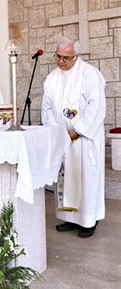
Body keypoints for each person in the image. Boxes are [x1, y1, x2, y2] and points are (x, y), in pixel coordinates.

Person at [41, 36, 106, 238]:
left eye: (66, 58)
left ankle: (88, 221)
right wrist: (59, 132)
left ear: (76, 56)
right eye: (58, 56)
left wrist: (76, 131)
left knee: (85, 178)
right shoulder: (51, 78)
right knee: (65, 179)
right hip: (64, 139)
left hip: (84, 139)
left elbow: (96, 107)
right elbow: (47, 108)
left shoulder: (89, 74)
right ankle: (69, 218)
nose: (61, 61)